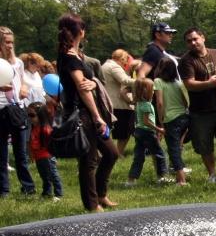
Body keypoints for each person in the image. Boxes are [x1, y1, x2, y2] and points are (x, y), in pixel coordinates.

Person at [57, 13, 120, 211]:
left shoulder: (78, 56)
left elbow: (89, 84)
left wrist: (93, 82)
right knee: (89, 160)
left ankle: (101, 194)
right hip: (83, 114)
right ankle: (92, 205)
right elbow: (82, 90)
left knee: (111, 153)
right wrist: (97, 117)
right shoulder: (69, 58)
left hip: (90, 112)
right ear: (81, 32)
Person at [177, 28, 216, 183]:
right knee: (205, 145)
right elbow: (189, 84)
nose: (193, 42)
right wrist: (209, 84)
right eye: (189, 41)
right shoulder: (186, 61)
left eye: (195, 39)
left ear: (203, 38)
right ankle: (212, 174)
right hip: (200, 110)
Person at [0, 25, 36, 197]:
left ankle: (28, 187)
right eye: (7, 42)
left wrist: (23, 89)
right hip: (0, 110)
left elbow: (22, 81)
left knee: (21, 152)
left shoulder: (18, 63)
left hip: (17, 109)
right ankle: (4, 190)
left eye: (12, 42)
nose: (10, 46)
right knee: (1, 153)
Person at [126, 78, 169, 186]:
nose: (154, 91)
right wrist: (159, 129)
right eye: (152, 89)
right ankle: (162, 177)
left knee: (139, 157)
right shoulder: (147, 105)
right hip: (147, 133)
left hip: (139, 132)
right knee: (159, 154)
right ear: (146, 91)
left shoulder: (138, 103)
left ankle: (131, 180)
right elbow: (146, 121)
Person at [153, 57, 189, 185]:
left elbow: (160, 103)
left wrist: (161, 121)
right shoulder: (179, 83)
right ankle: (180, 177)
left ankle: (182, 180)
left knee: (173, 149)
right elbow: (186, 102)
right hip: (183, 118)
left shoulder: (158, 81)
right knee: (177, 148)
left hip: (170, 119)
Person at [100, 49, 136, 155]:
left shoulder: (105, 65)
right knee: (125, 132)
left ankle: (108, 153)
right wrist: (142, 81)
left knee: (111, 131)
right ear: (122, 58)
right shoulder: (114, 66)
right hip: (119, 104)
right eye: (125, 60)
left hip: (109, 102)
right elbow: (124, 80)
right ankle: (118, 153)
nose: (126, 63)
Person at [26, 102, 63, 199]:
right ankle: (47, 192)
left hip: (47, 157)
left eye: (32, 115)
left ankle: (58, 194)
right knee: (44, 176)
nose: (30, 117)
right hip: (39, 157)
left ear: (41, 115)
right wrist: (31, 154)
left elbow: (52, 144)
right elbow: (31, 142)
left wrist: (53, 155)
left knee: (53, 175)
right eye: (28, 115)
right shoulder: (34, 128)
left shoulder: (46, 129)